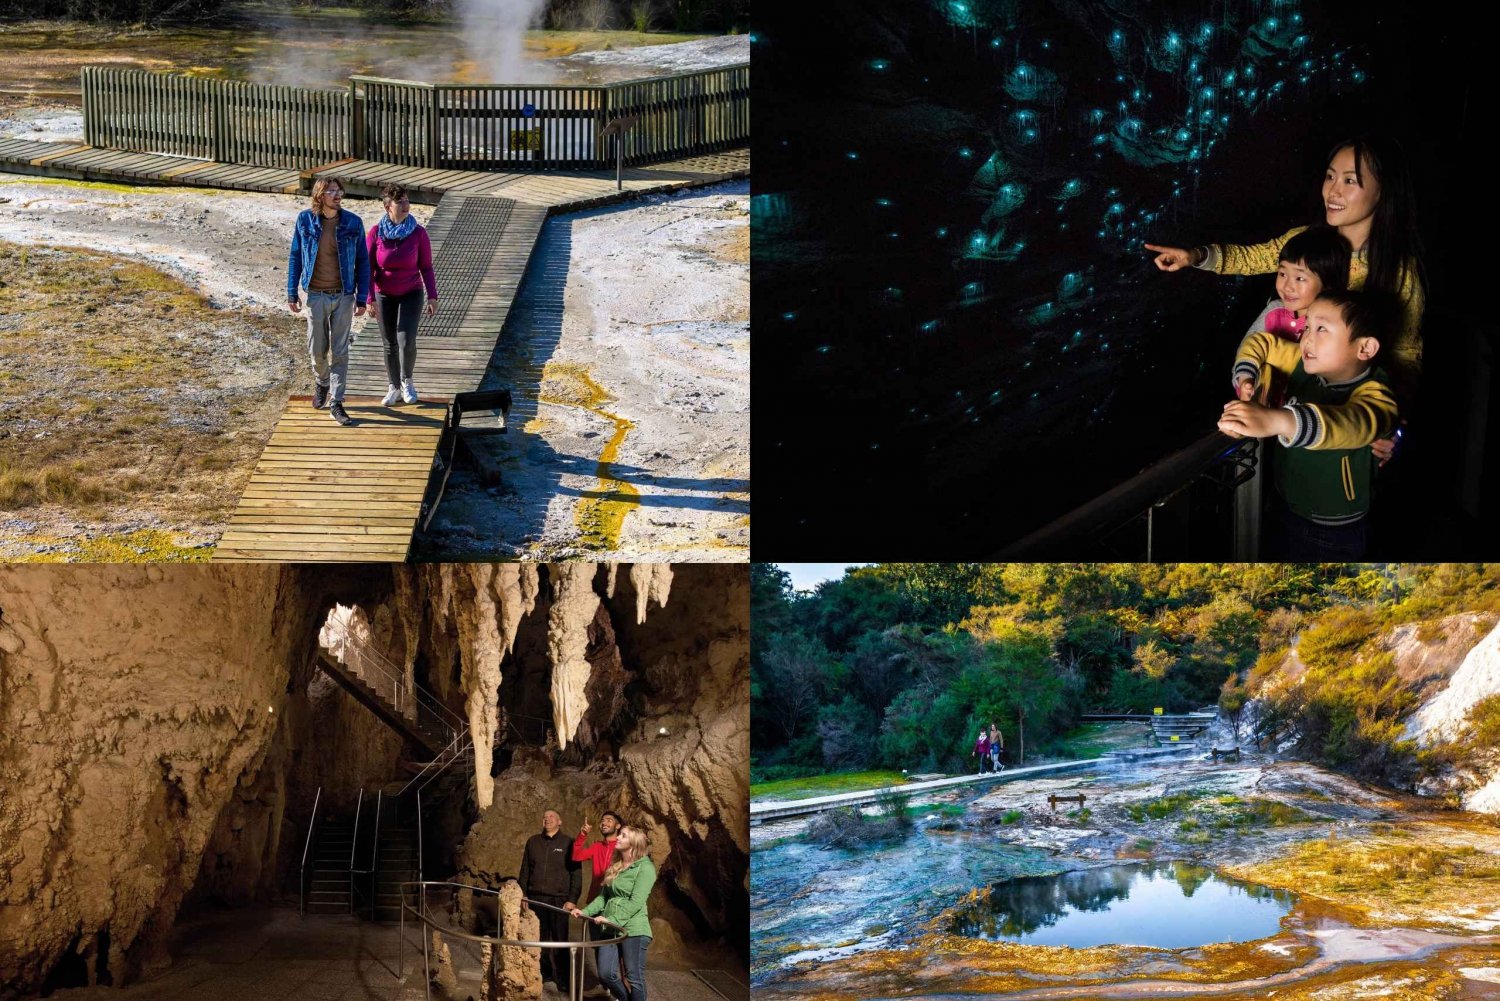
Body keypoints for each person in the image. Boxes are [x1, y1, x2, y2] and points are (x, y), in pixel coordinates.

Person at [1146, 135, 1425, 459]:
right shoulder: (1306, 239)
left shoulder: (1397, 270)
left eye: (1350, 181)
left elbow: (1406, 354)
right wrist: (1194, 256)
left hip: (1344, 411)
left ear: (1384, 190)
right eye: (1330, 175)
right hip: (1282, 398)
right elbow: (1253, 257)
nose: (1333, 191)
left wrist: (1395, 423)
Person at [1217, 289, 1400, 558]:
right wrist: (1247, 376)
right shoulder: (1305, 364)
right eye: (1307, 327)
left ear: (1365, 348)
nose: (1306, 339)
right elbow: (1262, 343)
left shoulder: (1377, 394)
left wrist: (1278, 420)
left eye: (1321, 329)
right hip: (1285, 500)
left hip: (1332, 527)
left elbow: (1351, 423)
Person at [287, 177, 370, 427]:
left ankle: (337, 401)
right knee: (316, 351)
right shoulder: (304, 220)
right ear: (319, 195)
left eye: (339, 191)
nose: (337, 195)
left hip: (344, 295)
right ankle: (322, 381)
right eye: (331, 191)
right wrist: (292, 291)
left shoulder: (353, 223)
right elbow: (295, 256)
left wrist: (362, 297)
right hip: (316, 295)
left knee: (340, 351)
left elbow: (363, 262)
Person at [367, 182, 437, 406]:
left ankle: (408, 381)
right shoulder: (376, 233)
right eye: (400, 202)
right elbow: (368, 268)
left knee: (406, 340)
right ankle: (393, 386)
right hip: (383, 293)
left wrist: (432, 296)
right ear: (388, 207)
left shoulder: (418, 233)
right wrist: (368, 298)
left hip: (411, 291)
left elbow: (426, 267)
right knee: (389, 343)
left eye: (407, 200)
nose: (406, 205)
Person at [567, 826, 656, 1001]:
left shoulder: (645, 868)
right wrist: (584, 911)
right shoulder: (616, 866)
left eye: (623, 836)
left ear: (634, 843)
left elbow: (635, 903)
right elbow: (603, 898)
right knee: (605, 973)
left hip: (634, 929)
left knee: (634, 978)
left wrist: (610, 919)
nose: (618, 838)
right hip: (610, 929)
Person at [519, 808, 582, 995]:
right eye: (545, 816)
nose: (548, 819)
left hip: (559, 900)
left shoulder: (569, 843)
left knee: (560, 941)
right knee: (539, 939)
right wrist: (523, 894)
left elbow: (576, 874)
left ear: (560, 821)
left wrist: (572, 899)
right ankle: (544, 974)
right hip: (537, 898)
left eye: (552, 816)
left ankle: (563, 980)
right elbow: (525, 870)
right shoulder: (533, 842)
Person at [574, 811, 624, 994]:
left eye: (609, 820)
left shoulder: (622, 847)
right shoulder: (596, 846)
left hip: (615, 905)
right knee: (597, 945)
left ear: (617, 826)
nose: (604, 823)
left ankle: (620, 987)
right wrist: (583, 835)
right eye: (602, 820)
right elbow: (576, 856)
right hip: (596, 902)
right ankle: (605, 986)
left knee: (618, 947)